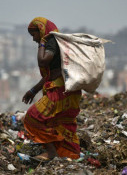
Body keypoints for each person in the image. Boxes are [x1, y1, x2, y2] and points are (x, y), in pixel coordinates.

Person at [22, 17, 82, 161]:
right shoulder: (54, 42)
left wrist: (42, 42)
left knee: (33, 117)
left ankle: (51, 152)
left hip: (60, 91)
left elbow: (43, 60)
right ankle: (66, 155)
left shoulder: (52, 41)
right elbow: (50, 74)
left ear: (41, 30)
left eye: (34, 35)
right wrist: (33, 90)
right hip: (63, 90)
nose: (34, 39)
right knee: (58, 122)